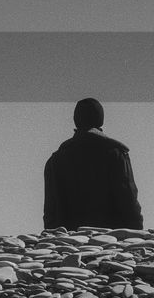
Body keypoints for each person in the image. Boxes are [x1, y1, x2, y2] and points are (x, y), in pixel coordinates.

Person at [43, 97, 143, 230]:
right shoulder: (115, 154)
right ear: (100, 120)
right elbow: (128, 201)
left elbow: (50, 211)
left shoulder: (55, 160)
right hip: (110, 241)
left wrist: (54, 241)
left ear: (76, 120)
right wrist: (136, 236)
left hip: (70, 242)